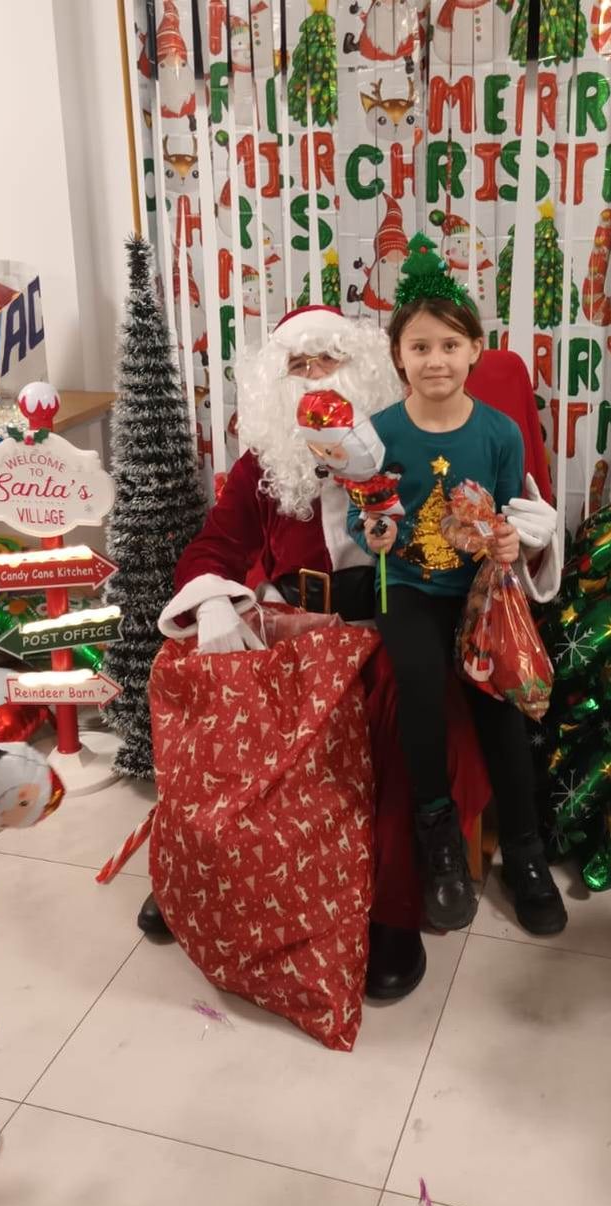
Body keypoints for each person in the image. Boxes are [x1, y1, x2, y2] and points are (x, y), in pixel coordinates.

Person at [154, 302, 561, 998]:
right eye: (298, 364)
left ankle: (392, 910)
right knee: (202, 689)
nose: (315, 376)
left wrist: (518, 538)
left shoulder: (396, 440)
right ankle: (202, 870)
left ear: (367, 367)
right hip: (293, 626)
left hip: (384, 622)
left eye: (330, 360)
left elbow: (496, 520)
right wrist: (214, 600)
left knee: (403, 705)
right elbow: (216, 544)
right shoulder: (265, 465)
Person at [347, 235, 567, 935]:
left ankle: (525, 850)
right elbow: (362, 518)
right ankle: (437, 838)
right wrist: (374, 534)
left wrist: (509, 541)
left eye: (449, 345)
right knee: (418, 682)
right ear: (398, 357)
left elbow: (513, 515)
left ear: (475, 349)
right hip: (408, 586)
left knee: (499, 702)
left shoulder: (499, 433)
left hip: (481, 592)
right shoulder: (377, 434)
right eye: (420, 347)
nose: (435, 359)